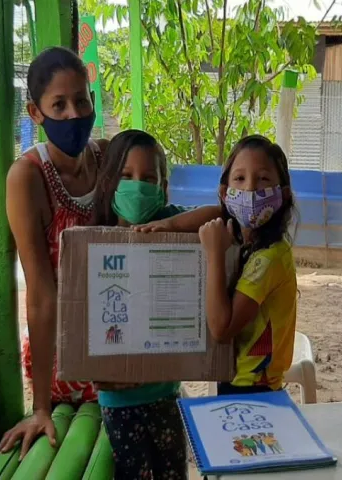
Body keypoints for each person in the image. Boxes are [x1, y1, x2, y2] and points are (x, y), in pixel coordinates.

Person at [0, 46, 107, 458]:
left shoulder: (106, 157)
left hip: (114, 331)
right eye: (57, 105)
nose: (73, 114)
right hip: (65, 353)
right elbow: (41, 294)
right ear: (35, 112)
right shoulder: (27, 177)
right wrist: (41, 407)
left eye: (81, 100)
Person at [92, 129, 219, 479]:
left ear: (163, 187)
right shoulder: (93, 238)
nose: (138, 186)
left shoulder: (169, 218)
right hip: (118, 402)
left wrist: (170, 223)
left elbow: (221, 214)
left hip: (167, 395)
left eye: (149, 178)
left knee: (173, 472)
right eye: (127, 176)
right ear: (108, 183)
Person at [198, 135, 298, 396]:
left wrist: (214, 255)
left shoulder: (269, 258)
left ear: (283, 194)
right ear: (225, 193)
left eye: (263, 179)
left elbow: (221, 329)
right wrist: (168, 224)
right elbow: (213, 214)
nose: (250, 190)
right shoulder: (248, 242)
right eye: (239, 179)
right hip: (236, 379)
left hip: (253, 389)